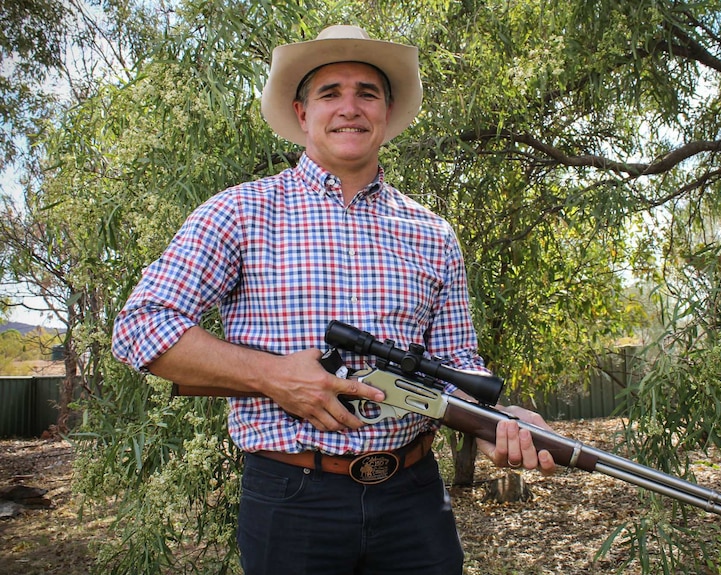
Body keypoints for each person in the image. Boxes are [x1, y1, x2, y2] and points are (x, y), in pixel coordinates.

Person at [112, 24, 555, 575]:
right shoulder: (239, 212)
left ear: (387, 114)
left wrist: (498, 423)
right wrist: (271, 376)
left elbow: (455, 367)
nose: (350, 108)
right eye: (331, 93)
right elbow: (140, 326)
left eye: (367, 93)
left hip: (415, 497)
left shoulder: (433, 233)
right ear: (302, 114)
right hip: (291, 498)